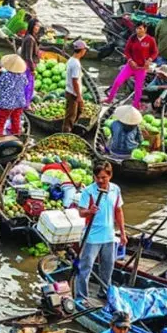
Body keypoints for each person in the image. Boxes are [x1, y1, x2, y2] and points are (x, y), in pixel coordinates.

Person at [77, 161, 127, 301]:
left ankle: (104, 293)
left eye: (103, 177)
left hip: (109, 236)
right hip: (92, 237)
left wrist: (123, 233)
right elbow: (81, 212)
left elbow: (118, 211)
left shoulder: (115, 190)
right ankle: (82, 297)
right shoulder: (89, 191)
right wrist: (90, 211)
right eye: (97, 177)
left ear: (110, 176)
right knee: (85, 268)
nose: (100, 180)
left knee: (108, 268)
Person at [103, 22, 158, 109]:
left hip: (141, 68)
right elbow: (127, 51)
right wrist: (130, 60)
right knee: (117, 82)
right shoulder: (132, 38)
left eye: (140, 28)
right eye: (137, 29)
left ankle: (135, 105)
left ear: (145, 29)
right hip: (130, 66)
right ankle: (109, 99)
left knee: (138, 88)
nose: (138, 30)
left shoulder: (150, 40)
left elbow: (155, 52)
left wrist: (150, 60)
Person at [0, 54, 28, 136]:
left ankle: (0, 138)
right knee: (16, 121)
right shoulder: (22, 75)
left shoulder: (6, 76)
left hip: (7, 103)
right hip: (19, 102)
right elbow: (26, 83)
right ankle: (16, 136)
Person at [63, 40, 89, 133]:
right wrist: (79, 96)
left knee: (79, 110)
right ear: (82, 50)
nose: (85, 52)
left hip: (71, 91)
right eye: (85, 50)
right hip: (73, 93)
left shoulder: (71, 60)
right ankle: (66, 133)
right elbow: (75, 81)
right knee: (70, 117)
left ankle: (72, 129)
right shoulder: (76, 64)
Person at [21, 18, 41, 107]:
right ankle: (26, 105)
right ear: (32, 26)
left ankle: (25, 103)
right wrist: (32, 69)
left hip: (27, 65)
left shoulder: (30, 37)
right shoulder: (30, 39)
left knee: (27, 85)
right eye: (36, 26)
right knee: (29, 86)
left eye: (38, 26)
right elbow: (28, 57)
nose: (38, 28)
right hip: (28, 66)